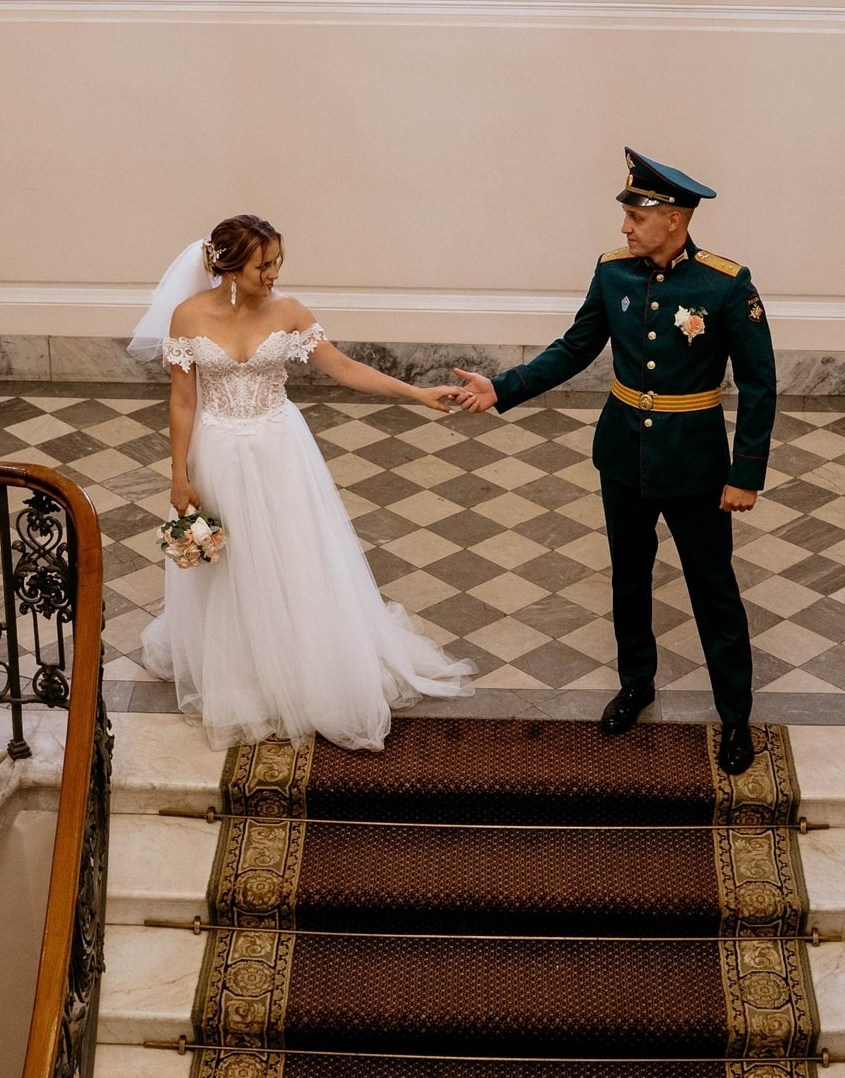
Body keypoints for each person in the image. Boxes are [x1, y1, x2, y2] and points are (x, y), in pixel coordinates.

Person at [447, 151, 777, 774]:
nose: (624, 228)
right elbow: (575, 347)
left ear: (675, 220)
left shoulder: (725, 285)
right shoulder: (612, 274)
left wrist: (745, 474)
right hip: (623, 454)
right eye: (625, 215)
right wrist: (502, 387)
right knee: (629, 576)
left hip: (696, 464)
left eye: (636, 216)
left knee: (714, 590)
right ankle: (636, 685)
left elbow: (760, 385)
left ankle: (735, 717)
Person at [134, 215, 474, 749]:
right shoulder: (188, 317)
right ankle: (244, 669)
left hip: (280, 449)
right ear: (227, 266)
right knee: (233, 564)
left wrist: (417, 394)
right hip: (217, 450)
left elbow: (344, 368)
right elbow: (182, 399)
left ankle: (303, 662)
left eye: (276, 263)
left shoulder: (289, 312)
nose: (272, 274)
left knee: (293, 552)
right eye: (261, 265)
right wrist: (178, 476)